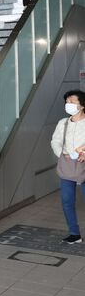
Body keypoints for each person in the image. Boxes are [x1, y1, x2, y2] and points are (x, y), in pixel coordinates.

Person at [51, 90, 85, 244]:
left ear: (82, 105)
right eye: (67, 101)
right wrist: (61, 154)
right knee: (66, 201)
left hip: (83, 164)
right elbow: (55, 141)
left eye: (72, 101)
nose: (68, 104)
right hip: (67, 165)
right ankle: (74, 233)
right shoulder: (62, 123)